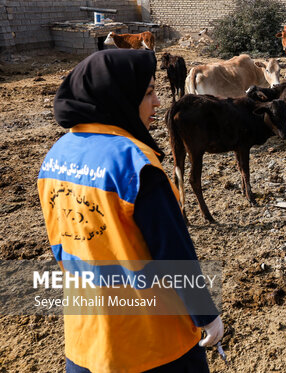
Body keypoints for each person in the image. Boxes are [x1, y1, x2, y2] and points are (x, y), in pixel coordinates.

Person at [37, 49, 224, 372]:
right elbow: (173, 253)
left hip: (86, 340)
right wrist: (207, 316)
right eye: (149, 92)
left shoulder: (55, 157)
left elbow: (61, 245)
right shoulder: (136, 165)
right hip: (152, 344)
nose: (157, 103)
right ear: (120, 96)